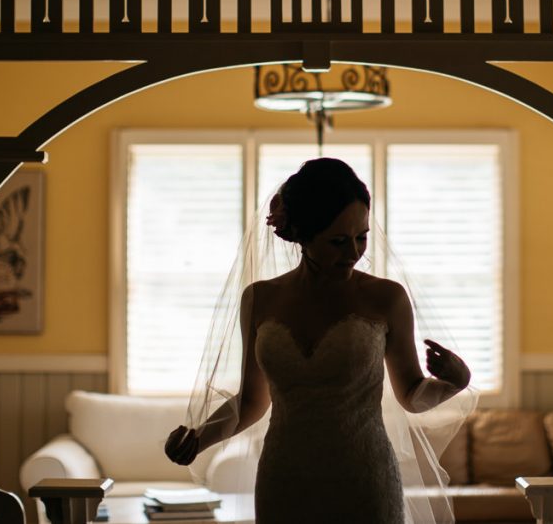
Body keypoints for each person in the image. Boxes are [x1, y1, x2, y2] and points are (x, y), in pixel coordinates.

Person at [165, 158, 473, 524]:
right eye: (338, 241)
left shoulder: (386, 298)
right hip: (285, 476)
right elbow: (250, 402)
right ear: (302, 236)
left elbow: (412, 397)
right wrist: (198, 439)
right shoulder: (260, 299)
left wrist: (457, 381)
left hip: (364, 476)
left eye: (362, 237)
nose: (354, 253)